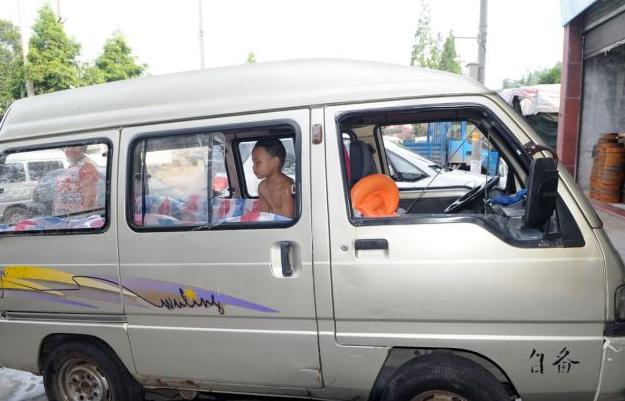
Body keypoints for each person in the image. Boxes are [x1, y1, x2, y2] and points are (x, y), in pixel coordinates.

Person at [251, 138, 294, 218]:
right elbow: (264, 216)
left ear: (275, 162)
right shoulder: (262, 187)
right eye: (253, 162)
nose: (253, 167)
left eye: (258, 162)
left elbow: (287, 219)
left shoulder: (287, 186)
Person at [52, 146, 99, 216]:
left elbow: (90, 196)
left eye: (73, 147)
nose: (68, 150)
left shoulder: (86, 165)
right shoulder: (74, 164)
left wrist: (82, 217)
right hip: (67, 218)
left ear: (82, 148)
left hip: (76, 219)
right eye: (67, 147)